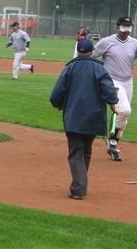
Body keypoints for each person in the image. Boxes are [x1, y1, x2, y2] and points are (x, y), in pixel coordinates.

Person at [50, 38, 119, 200]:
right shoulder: (99, 69)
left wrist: (59, 104)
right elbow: (109, 91)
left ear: (78, 51)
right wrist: (113, 103)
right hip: (94, 117)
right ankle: (80, 183)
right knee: (86, 150)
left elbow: (55, 95)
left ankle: (79, 188)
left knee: (75, 152)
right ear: (92, 52)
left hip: (74, 116)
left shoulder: (70, 68)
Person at [92, 16, 137, 162]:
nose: (126, 30)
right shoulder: (106, 42)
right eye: (124, 26)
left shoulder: (135, 44)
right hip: (111, 81)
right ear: (117, 27)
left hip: (128, 82)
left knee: (124, 115)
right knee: (125, 110)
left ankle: (113, 145)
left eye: (129, 27)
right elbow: (91, 56)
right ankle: (113, 141)